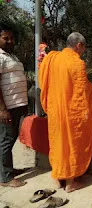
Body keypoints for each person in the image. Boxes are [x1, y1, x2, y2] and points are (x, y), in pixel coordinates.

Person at [39, 32, 92, 193]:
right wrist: (89, 100)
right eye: (83, 48)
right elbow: (81, 92)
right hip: (70, 113)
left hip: (54, 111)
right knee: (71, 146)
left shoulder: (52, 58)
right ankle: (71, 183)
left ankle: (58, 180)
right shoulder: (76, 63)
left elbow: (42, 79)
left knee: (57, 144)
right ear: (79, 45)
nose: (83, 52)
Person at [0, 22, 28, 187]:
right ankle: (5, 178)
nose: (10, 41)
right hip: (8, 107)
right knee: (5, 140)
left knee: (11, 139)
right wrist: (2, 109)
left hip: (19, 104)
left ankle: (7, 169)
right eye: (5, 38)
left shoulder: (12, 56)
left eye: (11, 38)